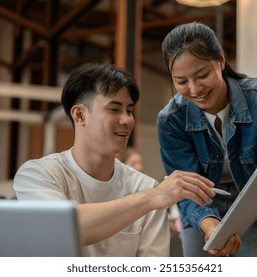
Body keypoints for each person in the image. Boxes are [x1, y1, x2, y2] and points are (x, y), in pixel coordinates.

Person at [14, 62, 216, 257]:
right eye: (114, 109)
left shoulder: (144, 186)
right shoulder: (37, 175)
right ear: (80, 115)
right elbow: (60, 228)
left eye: (129, 110)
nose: (127, 120)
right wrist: (152, 198)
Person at [156, 22, 257, 257]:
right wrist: (210, 226)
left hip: (253, 207)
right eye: (181, 81)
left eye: (202, 75)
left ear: (221, 61)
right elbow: (186, 187)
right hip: (199, 211)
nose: (194, 89)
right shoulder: (170, 120)